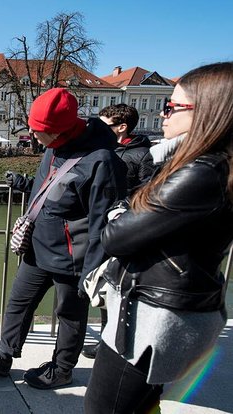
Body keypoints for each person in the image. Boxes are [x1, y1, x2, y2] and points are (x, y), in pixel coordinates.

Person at [84, 62, 233, 413]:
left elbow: (115, 236)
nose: (162, 116)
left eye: (172, 107)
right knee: (140, 403)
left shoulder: (200, 172)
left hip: (151, 318)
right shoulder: (207, 166)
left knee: (105, 407)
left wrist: (120, 208)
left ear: (207, 113)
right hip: (164, 308)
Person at [0, 88, 127, 389]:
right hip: (39, 247)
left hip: (73, 256)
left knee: (70, 314)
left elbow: (102, 224)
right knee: (18, 301)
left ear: (60, 130)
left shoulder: (101, 162)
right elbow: (52, 191)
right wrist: (25, 184)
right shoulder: (53, 146)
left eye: (39, 130)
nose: (32, 133)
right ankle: (4, 355)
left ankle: (62, 369)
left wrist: (91, 271)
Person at [82, 103, 155, 359]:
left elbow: (147, 193)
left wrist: (125, 206)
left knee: (119, 289)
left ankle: (114, 344)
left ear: (121, 127)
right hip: (100, 229)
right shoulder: (99, 151)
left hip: (123, 231)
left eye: (105, 125)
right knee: (101, 288)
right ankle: (106, 340)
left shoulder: (143, 155)